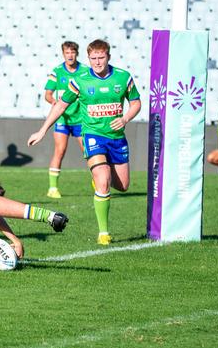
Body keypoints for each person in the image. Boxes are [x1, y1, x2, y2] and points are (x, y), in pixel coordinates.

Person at [28, 39, 141, 245]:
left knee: (123, 185)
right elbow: (60, 105)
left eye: (101, 57)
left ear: (108, 56)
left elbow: (135, 103)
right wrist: (42, 130)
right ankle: (103, 233)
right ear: (88, 59)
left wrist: (125, 118)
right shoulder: (80, 80)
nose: (97, 62)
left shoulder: (123, 77)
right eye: (93, 58)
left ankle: (99, 181)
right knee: (103, 179)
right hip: (92, 135)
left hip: (116, 139)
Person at [43, 41, 89, 198]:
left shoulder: (85, 71)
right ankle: (52, 188)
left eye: (73, 52)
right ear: (63, 54)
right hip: (62, 119)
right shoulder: (57, 72)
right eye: (67, 52)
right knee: (60, 151)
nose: (70, 55)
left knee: (88, 152)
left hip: (81, 120)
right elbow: (48, 94)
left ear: (77, 53)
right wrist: (54, 102)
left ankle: (97, 181)